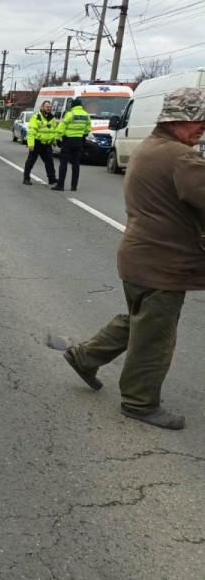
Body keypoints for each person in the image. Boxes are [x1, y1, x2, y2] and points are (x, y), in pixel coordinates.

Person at [59, 87, 205, 430]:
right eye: (198, 121)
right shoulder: (182, 158)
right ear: (176, 121)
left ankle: (84, 357)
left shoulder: (150, 148)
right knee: (156, 335)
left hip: (141, 256)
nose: (202, 128)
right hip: (164, 263)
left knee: (141, 318)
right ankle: (140, 402)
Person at [51, 98, 92, 192]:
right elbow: (88, 128)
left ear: (73, 105)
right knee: (76, 164)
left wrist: (57, 138)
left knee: (63, 164)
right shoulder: (86, 115)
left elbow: (61, 127)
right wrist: (83, 136)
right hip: (79, 141)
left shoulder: (70, 114)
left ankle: (60, 185)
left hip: (68, 141)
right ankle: (74, 186)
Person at [22, 101, 58, 185]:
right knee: (30, 161)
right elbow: (31, 131)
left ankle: (51, 178)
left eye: (50, 107)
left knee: (49, 162)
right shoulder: (36, 117)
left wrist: (54, 141)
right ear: (42, 107)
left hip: (47, 143)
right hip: (37, 142)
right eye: (47, 107)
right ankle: (26, 178)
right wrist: (31, 144)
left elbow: (53, 131)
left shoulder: (52, 118)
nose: (49, 108)